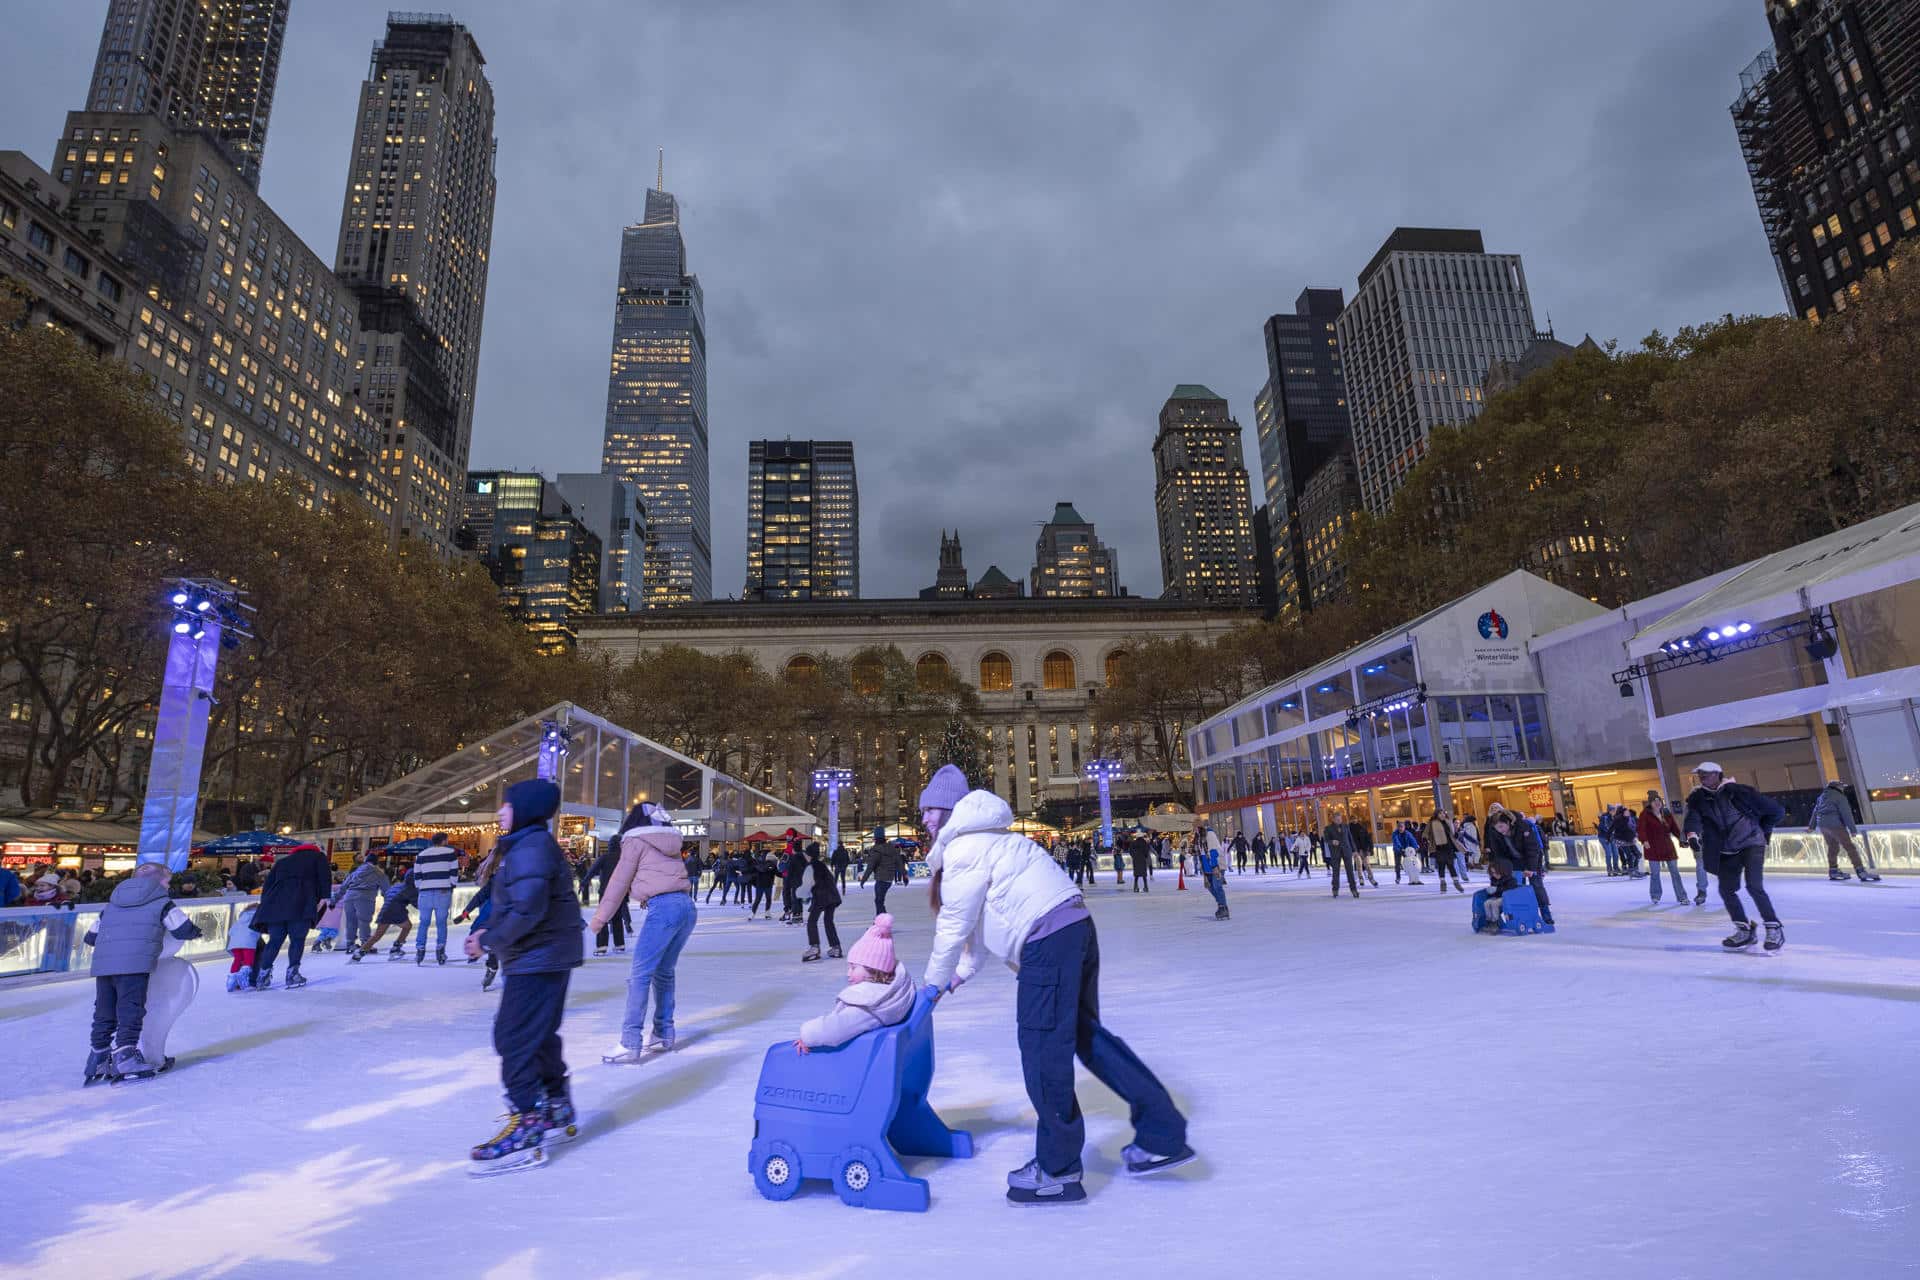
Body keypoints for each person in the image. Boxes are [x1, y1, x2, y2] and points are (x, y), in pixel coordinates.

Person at [919, 766, 1194, 1204]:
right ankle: (1163, 1132)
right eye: (924, 810)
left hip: (1047, 943)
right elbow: (983, 925)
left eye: (932, 809)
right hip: (1075, 929)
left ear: (952, 809)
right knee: (1086, 1036)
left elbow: (954, 925)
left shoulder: (966, 847)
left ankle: (1058, 1169)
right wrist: (958, 976)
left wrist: (931, 986)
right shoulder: (992, 839)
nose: (926, 819)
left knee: (1043, 1048)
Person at [466, 779, 584, 1174]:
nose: (500, 812)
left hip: (538, 956)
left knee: (513, 1037)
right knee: (538, 1034)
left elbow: (528, 908)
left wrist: (490, 940)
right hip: (545, 955)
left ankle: (527, 1125)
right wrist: (488, 931)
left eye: (506, 805)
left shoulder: (530, 847)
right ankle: (554, 1103)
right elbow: (520, 902)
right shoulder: (529, 845)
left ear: (526, 809)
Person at [594, 802, 697, 1062]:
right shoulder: (670, 841)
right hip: (686, 906)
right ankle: (663, 1032)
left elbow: (618, 883)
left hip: (663, 908)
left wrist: (598, 921)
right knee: (664, 972)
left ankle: (630, 1041)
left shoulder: (634, 841)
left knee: (640, 975)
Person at [83, 862, 204, 1083]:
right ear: (157, 881)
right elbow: (183, 929)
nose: (168, 886)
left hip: (105, 964)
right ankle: (126, 1055)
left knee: (104, 1008)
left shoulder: (112, 904)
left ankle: (98, 1055)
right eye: (167, 881)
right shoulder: (162, 903)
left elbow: (90, 937)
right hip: (135, 963)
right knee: (131, 1007)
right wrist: (197, 933)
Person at [1683, 763, 1785, 951]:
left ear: (1717, 774)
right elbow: (1693, 819)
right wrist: (1692, 835)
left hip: (1751, 843)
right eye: (1700, 775)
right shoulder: (1698, 798)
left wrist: (1764, 830)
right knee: (1726, 889)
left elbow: (1775, 811)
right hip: (1726, 850)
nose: (1702, 777)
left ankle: (1774, 927)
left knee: (1754, 886)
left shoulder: (1739, 791)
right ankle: (1744, 930)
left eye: (1706, 774)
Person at [794, 913, 914, 1052]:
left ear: (874, 970)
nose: (848, 973)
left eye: (854, 967)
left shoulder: (868, 1004)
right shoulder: (888, 996)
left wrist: (808, 1035)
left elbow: (835, 1029)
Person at [251, 842, 330, 989]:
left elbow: (268, 885)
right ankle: (292, 974)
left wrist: (265, 904)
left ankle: (262, 976)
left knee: (274, 941)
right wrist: (325, 898)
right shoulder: (318, 857)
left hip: (275, 905)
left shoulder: (283, 862)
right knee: (297, 940)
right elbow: (324, 878)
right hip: (302, 903)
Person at [1484, 804, 1554, 928]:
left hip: (1532, 859)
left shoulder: (1523, 826)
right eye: (1497, 828)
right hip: (1514, 861)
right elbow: (1498, 853)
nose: (1500, 830)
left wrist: (1531, 868)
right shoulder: (1494, 831)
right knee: (1514, 888)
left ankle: (1546, 916)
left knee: (1536, 886)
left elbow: (1533, 849)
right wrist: (1500, 869)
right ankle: (1519, 916)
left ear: (1508, 822)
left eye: (1501, 826)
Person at [1810, 780, 1880, 882]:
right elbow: (1846, 814)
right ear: (1837, 787)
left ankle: (1833, 871)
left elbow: (1815, 811)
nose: (1843, 788)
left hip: (1823, 826)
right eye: (1842, 787)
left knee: (1833, 847)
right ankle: (1861, 872)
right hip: (1835, 825)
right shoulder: (1839, 796)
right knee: (1850, 847)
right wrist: (1852, 829)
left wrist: (1812, 826)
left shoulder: (1821, 797)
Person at [1638, 793, 1688, 905]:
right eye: (1654, 801)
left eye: (1659, 800)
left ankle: (1682, 897)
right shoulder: (1645, 814)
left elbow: (1674, 828)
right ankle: (1655, 896)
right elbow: (1641, 829)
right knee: (1655, 873)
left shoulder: (1666, 813)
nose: (1657, 803)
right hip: (1653, 847)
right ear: (1650, 803)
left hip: (1667, 847)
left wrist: (1682, 839)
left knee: (1675, 873)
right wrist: (1644, 840)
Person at [338, 851, 388, 958]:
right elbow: (386, 889)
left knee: (351, 922)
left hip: (349, 897)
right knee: (364, 921)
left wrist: (334, 900)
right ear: (376, 862)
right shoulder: (378, 872)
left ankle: (350, 944)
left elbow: (343, 886)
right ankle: (366, 943)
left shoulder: (355, 872)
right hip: (365, 897)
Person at [800, 842, 843, 962]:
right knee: (828, 921)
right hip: (832, 896)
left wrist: (804, 894)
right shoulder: (821, 865)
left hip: (822, 897)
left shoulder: (812, 866)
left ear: (809, 855)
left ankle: (814, 947)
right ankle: (836, 947)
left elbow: (811, 884)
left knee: (811, 921)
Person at [361, 870, 418, 960]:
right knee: (407, 926)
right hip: (396, 910)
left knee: (377, 935)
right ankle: (396, 948)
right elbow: (416, 904)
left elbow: (387, 894)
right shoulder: (411, 889)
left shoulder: (396, 886)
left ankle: (359, 953)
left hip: (386, 909)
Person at [586, 841, 629, 956]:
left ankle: (602, 946)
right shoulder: (624, 859)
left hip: (606, 892)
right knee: (617, 918)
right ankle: (619, 944)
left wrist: (585, 881)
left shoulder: (604, 857)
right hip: (620, 893)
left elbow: (593, 870)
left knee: (602, 918)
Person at [861, 834, 904, 916]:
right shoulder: (892, 849)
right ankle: (880, 921)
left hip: (881, 878)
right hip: (889, 879)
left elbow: (870, 866)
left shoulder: (876, 850)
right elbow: (899, 862)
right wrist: (904, 875)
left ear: (876, 840)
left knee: (879, 901)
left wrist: (864, 879)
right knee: (879, 901)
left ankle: (883, 921)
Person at [225, 900, 260, 992]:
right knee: (248, 962)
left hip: (234, 943)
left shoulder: (240, 919)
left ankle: (232, 980)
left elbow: (230, 931)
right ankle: (243, 980)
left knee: (237, 960)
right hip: (248, 942)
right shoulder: (257, 916)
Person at [1323, 817, 1359, 898]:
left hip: (1347, 851)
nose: (1339, 820)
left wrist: (1354, 850)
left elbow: (1350, 839)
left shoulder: (1345, 826)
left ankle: (1354, 889)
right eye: (1337, 819)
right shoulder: (1328, 828)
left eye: (1340, 819)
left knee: (1350, 871)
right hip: (1336, 852)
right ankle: (1335, 889)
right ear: (1333, 819)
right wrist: (1332, 841)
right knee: (1336, 871)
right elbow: (1326, 839)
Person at [1197, 829, 1228, 919]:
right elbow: (1201, 854)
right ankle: (1223, 906)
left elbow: (1213, 851)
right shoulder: (1198, 838)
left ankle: (1222, 907)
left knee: (1217, 886)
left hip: (1217, 865)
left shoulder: (1209, 834)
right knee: (1210, 887)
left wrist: (1215, 866)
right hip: (1207, 866)